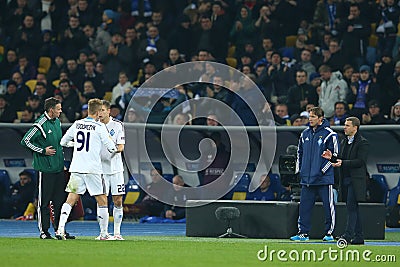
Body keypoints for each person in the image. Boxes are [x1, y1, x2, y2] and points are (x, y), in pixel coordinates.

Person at [55, 98, 117, 240]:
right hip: (93, 169)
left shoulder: (77, 124)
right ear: (97, 111)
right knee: (102, 200)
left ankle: (60, 229)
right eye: (101, 110)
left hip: (77, 167)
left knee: (70, 199)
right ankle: (103, 234)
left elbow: (63, 142)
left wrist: (75, 145)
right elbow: (112, 147)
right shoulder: (99, 127)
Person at [20, 97, 70, 239]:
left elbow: (59, 145)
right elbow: (25, 141)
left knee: (59, 201)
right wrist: (42, 150)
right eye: (58, 109)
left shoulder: (57, 122)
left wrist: (62, 163)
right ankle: (44, 231)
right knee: (44, 201)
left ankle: (59, 230)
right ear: (51, 110)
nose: (61, 111)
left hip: (58, 168)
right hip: (45, 169)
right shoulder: (40, 124)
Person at [290, 107, 338, 242]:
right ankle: (303, 233)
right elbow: (299, 153)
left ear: (321, 118)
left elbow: (334, 157)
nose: (310, 119)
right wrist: (300, 171)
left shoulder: (330, 135)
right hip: (307, 179)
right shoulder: (304, 134)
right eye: (309, 117)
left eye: (313, 117)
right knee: (304, 207)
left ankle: (329, 233)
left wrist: (321, 171)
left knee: (328, 207)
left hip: (324, 179)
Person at [322, 117, 369, 245]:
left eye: (348, 125)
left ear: (355, 128)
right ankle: (359, 237)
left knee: (351, 207)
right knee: (352, 207)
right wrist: (332, 158)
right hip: (346, 179)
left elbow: (360, 162)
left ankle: (347, 235)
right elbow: (341, 159)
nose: (345, 127)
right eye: (345, 125)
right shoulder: (344, 141)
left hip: (356, 180)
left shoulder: (362, 143)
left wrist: (343, 163)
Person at [99, 100, 125, 240]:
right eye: (98, 110)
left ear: (108, 111)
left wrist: (113, 148)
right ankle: (103, 233)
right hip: (100, 170)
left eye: (103, 110)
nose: (100, 113)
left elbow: (121, 147)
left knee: (118, 200)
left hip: (116, 170)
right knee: (101, 201)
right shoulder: (95, 126)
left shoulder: (118, 125)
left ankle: (117, 233)